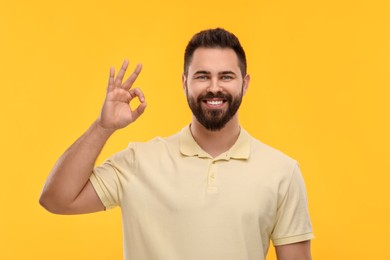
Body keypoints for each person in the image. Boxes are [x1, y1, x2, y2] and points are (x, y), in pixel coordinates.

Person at [40, 28, 314, 260]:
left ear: (245, 83)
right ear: (184, 83)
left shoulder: (282, 171)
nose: (214, 87)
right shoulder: (139, 161)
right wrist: (102, 128)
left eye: (226, 76)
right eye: (202, 76)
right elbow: (56, 200)